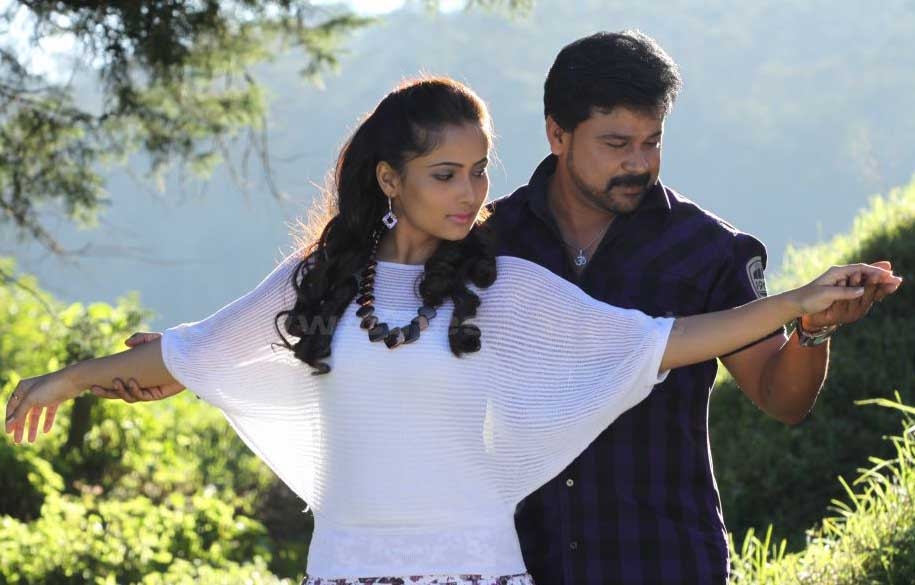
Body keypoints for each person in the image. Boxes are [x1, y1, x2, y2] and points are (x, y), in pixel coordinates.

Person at [5, 77, 901, 585]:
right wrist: (67, 377)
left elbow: (662, 340)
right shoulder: (319, 282)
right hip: (346, 562)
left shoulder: (502, 284)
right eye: (446, 173)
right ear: (388, 179)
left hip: (475, 563)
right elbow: (195, 352)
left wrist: (796, 302)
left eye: (478, 170)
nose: (472, 193)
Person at [483, 31, 899, 584]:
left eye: (652, 141)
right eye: (616, 144)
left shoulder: (707, 249)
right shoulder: (488, 241)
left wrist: (814, 331)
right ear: (557, 133)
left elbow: (782, 398)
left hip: (664, 560)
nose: (639, 163)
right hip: (514, 562)